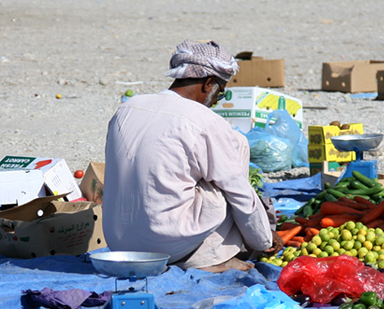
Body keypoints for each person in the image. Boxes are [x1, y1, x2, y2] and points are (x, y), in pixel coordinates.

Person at [103, 40, 282, 273]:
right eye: (220, 90)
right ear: (208, 84)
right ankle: (212, 257)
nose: (218, 99)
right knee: (234, 156)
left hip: (119, 243)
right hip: (165, 244)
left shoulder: (128, 107)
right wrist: (263, 239)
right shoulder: (205, 121)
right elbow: (240, 194)